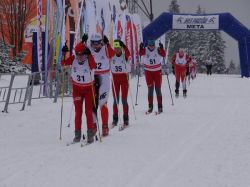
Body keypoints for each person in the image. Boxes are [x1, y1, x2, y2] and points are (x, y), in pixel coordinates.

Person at [61, 42, 97, 143]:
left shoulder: (89, 60)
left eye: (81, 54)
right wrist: (63, 53)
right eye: (77, 54)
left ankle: (90, 134)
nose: (79, 57)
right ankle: (77, 135)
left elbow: (94, 65)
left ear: (85, 53)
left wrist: (89, 55)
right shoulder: (73, 59)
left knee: (88, 111)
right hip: (77, 89)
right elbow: (63, 63)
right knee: (78, 112)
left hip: (89, 89)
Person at [82, 33, 115, 137]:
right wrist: (82, 42)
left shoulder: (105, 48)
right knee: (92, 104)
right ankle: (94, 125)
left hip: (104, 78)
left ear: (101, 42)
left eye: (97, 43)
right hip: (92, 78)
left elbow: (112, 54)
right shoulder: (88, 49)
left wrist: (108, 44)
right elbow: (78, 52)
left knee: (103, 103)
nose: (95, 45)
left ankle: (105, 126)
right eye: (93, 43)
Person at [139, 39, 166, 113]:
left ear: (154, 45)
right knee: (150, 89)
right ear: (148, 45)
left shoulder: (157, 49)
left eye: (152, 45)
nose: (151, 47)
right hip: (148, 72)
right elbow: (140, 53)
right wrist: (140, 47)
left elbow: (163, 54)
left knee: (158, 89)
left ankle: (160, 106)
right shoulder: (145, 50)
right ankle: (150, 106)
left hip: (157, 72)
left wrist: (162, 48)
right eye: (150, 45)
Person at [110, 39, 131, 128]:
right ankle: (115, 119)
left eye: (118, 48)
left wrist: (124, 46)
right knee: (115, 100)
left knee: (124, 100)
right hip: (115, 79)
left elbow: (128, 54)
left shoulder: (124, 56)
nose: (117, 50)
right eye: (115, 48)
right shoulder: (112, 56)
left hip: (124, 79)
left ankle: (126, 119)